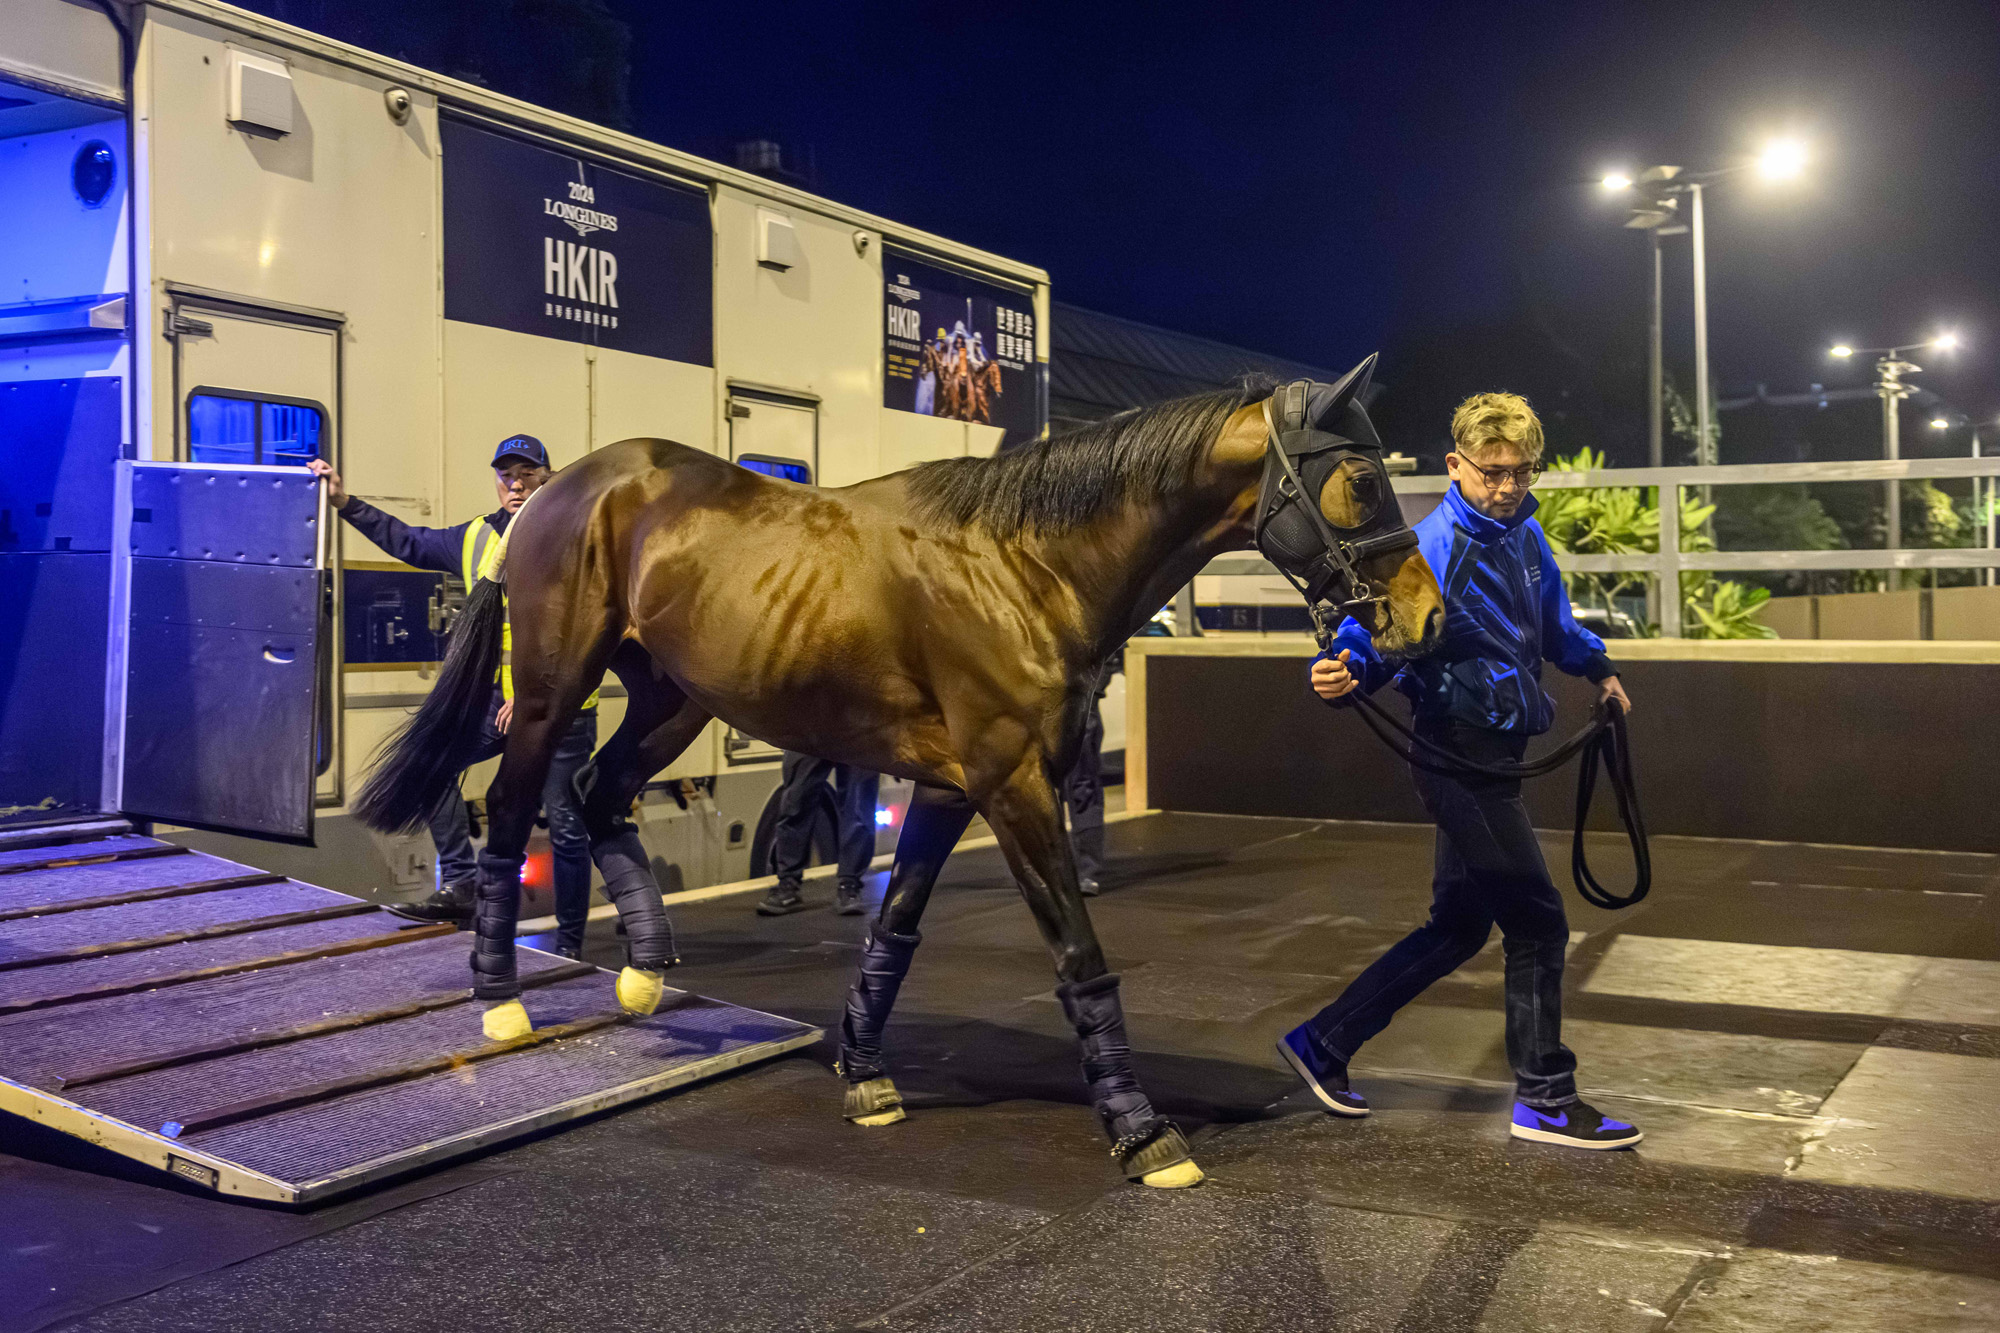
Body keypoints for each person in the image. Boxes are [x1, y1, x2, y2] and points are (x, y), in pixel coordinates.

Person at [1276, 392, 1643, 1150]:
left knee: (1458, 926)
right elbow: (1372, 632)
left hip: (1498, 750)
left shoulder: (1526, 536)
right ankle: (1544, 1093)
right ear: (1456, 466)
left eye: (1519, 472)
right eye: (1492, 472)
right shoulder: (1435, 543)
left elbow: (1554, 626)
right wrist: (1340, 668)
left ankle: (1323, 1042)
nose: (1507, 486)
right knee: (1538, 921)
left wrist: (1599, 670)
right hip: (1455, 753)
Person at [308, 437, 601, 958]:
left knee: (566, 827)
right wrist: (343, 502)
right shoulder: (474, 537)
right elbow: (409, 542)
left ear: (548, 479)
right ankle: (463, 883)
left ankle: (571, 947)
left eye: (527, 474)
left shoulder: (573, 539)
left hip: (560, 709)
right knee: (428, 762)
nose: (515, 484)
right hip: (497, 705)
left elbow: (585, 632)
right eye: (506, 474)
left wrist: (539, 694)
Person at [757, 753, 881, 916]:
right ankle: (788, 884)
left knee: (858, 807)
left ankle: (849, 885)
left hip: (860, 732)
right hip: (809, 731)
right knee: (795, 802)